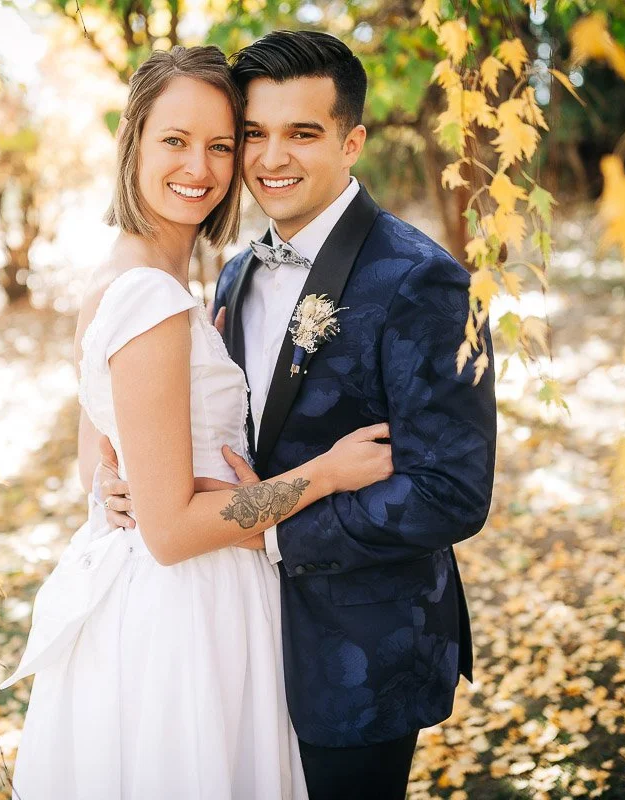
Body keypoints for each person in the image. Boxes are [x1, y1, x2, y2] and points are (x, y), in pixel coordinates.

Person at [98, 30, 498, 800]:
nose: (271, 158)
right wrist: (133, 489)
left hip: (360, 649)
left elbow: (449, 491)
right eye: (255, 134)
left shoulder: (424, 281)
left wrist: (276, 530)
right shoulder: (238, 275)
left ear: (352, 142)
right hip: (231, 638)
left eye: (302, 134)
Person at [0, 45, 394, 799]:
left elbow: (97, 464)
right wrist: (327, 475)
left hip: (170, 599)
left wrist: (124, 484)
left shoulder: (138, 279)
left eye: (221, 144)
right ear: (133, 137)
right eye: (175, 141)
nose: (201, 168)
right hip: (183, 613)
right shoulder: (151, 298)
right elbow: (172, 532)